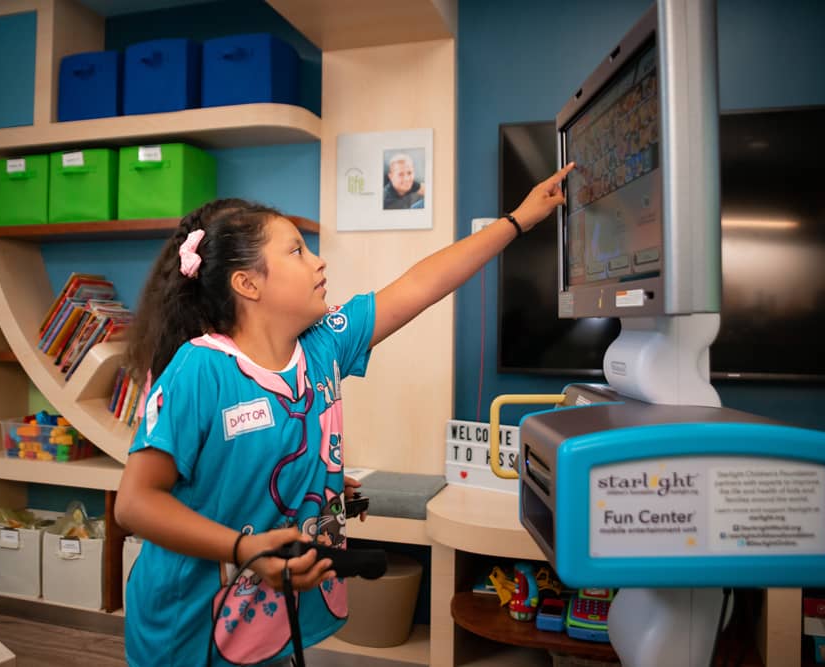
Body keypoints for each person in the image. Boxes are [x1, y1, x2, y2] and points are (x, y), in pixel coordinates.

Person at [115, 162, 575, 667]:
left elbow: (423, 282)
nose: (318, 263)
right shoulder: (199, 369)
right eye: (296, 251)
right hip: (188, 627)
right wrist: (244, 549)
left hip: (265, 622)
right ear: (248, 283)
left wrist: (519, 220)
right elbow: (136, 504)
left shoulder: (323, 346)